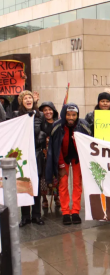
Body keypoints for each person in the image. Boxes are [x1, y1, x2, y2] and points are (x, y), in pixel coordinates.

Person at [46, 103, 91, 225]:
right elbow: (56, 147)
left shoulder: (83, 125)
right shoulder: (57, 126)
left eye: (73, 115)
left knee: (77, 184)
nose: (71, 117)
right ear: (64, 114)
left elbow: (89, 143)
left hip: (77, 158)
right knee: (63, 184)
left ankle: (75, 211)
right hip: (62, 157)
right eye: (68, 115)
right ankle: (65, 212)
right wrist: (60, 165)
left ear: (77, 115)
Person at [13, 90, 46, 227]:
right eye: (25, 98)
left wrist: (41, 137)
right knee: (24, 184)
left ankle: (36, 215)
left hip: (37, 154)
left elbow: (45, 130)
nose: (28, 100)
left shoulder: (40, 115)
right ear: (21, 101)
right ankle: (25, 216)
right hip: (23, 156)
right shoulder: (16, 115)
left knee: (36, 185)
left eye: (30, 98)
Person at [39, 102, 60, 209]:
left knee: (55, 177)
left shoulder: (58, 122)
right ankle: (44, 199)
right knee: (43, 177)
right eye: (45, 110)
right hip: (44, 153)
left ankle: (56, 197)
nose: (48, 112)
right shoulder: (40, 123)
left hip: (55, 153)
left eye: (50, 109)